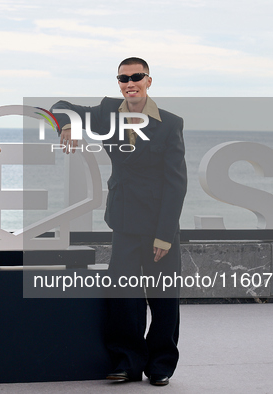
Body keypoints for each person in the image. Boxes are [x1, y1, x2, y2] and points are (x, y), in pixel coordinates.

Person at [51, 57, 187, 386]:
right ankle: (127, 362)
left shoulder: (170, 123)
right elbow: (59, 105)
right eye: (123, 78)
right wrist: (68, 125)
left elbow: (176, 183)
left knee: (163, 299)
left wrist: (165, 235)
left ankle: (161, 365)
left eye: (136, 77)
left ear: (149, 80)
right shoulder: (107, 112)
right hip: (124, 221)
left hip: (160, 225)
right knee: (124, 296)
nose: (130, 83)